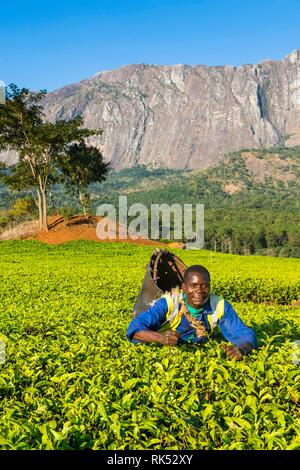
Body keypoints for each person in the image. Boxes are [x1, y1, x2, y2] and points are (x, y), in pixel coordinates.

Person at [127, 265, 257, 360]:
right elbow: (134, 329)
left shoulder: (219, 305)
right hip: (167, 357)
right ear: (184, 287)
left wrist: (242, 349)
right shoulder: (169, 302)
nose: (199, 291)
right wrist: (160, 338)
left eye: (204, 285)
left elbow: (243, 333)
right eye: (193, 286)